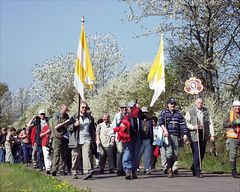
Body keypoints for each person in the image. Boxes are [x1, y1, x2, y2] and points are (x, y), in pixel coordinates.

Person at [159, 98, 189, 178]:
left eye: (174, 104)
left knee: (175, 153)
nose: (173, 105)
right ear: (168, 104)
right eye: (171, 104)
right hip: (167, 134)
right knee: (169, 152)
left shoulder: (178, 113)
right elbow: (160, 122)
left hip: (176, 135)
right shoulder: (164, 112)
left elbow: (183, 124)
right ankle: (169, 169)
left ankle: (171, 167)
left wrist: (185, 134)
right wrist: (165, 130)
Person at [185, 98, 215, 178]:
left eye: (201, 102)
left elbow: (210, 123)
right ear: (195, 103)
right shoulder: (190, 111)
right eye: (198, 102)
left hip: (203, 133)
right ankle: (198, 171)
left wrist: (212, 134)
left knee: (202, 152)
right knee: (197, 152)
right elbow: (186, 123)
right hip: (194, 134)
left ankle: (193, 167)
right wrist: (193, 127)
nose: (200, 104)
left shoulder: (206, 112)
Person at [68, 101, 96, 180]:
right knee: (75, 156)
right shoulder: (74, 117)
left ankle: (87, 172)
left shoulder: (90, 117)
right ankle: (74, 171)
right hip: (76, 139)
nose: (84, 109)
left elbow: (92, 128)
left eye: (85, 107)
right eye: (82, 107)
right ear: (79, 108)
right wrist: (74, 125)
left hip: (87, 139)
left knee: (86, 154)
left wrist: (93, 138)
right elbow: (68, 128)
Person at [118, 100, 141, 180]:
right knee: (128, 153)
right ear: (128, 108)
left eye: (133, 107)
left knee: (135, 154)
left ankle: (133, 171)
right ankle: (127, 170)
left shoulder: (139, 116)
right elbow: (120, 125)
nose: (132, 109)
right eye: (131, 107)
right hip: (129, 136)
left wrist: (138, 108)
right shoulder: (126, 116)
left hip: (137, 136)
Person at [50, 104, 70, 176]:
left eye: (66, 110)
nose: (65, 111)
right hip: (57, 136)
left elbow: (68, 125)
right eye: (64, 109)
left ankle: (62, 169)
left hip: (64, 137)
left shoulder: (66, 115)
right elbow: (56, 126)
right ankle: (54, 169)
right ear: (61, 108)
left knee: (64, 154)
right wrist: (65, 122)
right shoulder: (56, 115)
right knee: (56, 153)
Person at [223, 100, 240, 178]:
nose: (237, 108)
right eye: (236, 106)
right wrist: (233, 122)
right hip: (233, 137)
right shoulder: (229, 114)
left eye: (238, 106)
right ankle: (233, 171)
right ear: (233, 107)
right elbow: (224, 124)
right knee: (233, 155)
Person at [111, 102, 127, 176]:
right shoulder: (117, 116)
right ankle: (119, 169)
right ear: (120, 109)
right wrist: (112, 136)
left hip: (126, 136)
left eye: (125, 108)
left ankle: (124, 168)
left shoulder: (128, 115)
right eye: (122, 108)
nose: (124, 109)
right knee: (120, 151)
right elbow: (113, 126)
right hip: (119, 136)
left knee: (125, 152)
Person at [137, 107, 153, 175]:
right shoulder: (139, 120)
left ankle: (147, 168)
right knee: (138, 155)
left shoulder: (149, 120)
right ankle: (135, 167)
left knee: (148, 155)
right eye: (143, 112)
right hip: (140, 140)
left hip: (147, 139)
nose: (144, 114)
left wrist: (151, 139)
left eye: (145, 112)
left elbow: (151, 131)